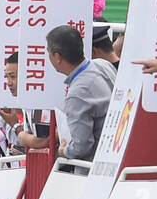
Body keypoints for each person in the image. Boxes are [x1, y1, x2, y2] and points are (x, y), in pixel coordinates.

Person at [47, 24, 115, 162]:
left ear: (57, 57)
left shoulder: (77, 93)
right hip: (114, 155)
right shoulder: (103, 65)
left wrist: (64, 151)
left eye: (48, 51)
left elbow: (82, 145)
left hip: (93, 168)